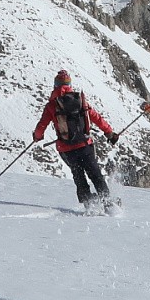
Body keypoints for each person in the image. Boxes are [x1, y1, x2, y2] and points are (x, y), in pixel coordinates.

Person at [32, 69, 117, 207]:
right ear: (69, 85)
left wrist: (37, 137)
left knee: (78, 174)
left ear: (55, 85)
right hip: (85, 144)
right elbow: (96, 117)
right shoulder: (80, 101)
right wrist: (109, 133)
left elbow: (42, 125)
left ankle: (88, 203)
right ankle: (108, 203)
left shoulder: (52, 105)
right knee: (95, 173)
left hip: (66, 149)